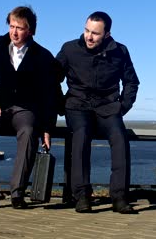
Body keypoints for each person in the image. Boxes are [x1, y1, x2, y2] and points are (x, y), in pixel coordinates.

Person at [0, 6, 61, 209]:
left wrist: (47, 127)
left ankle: (17, 193)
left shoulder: (42, 56)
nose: (14, 32)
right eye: (11, 26)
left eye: (19, 28)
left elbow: (49, 94)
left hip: (25, 109)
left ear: (30, 31)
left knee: (29, 130)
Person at [56, 11, 140, 214]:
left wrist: (122, 107)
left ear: (107, 34)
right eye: (86, 30)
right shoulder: (69, 49)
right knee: (81, 135)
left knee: (120, 138)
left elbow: (131, 82)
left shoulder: (120, 51)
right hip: (77, 106)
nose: (89, 36)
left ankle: (119, 198)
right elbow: (51, 78)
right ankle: (82, 196)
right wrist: (60, 104)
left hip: (108, 107)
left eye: (95, 33)